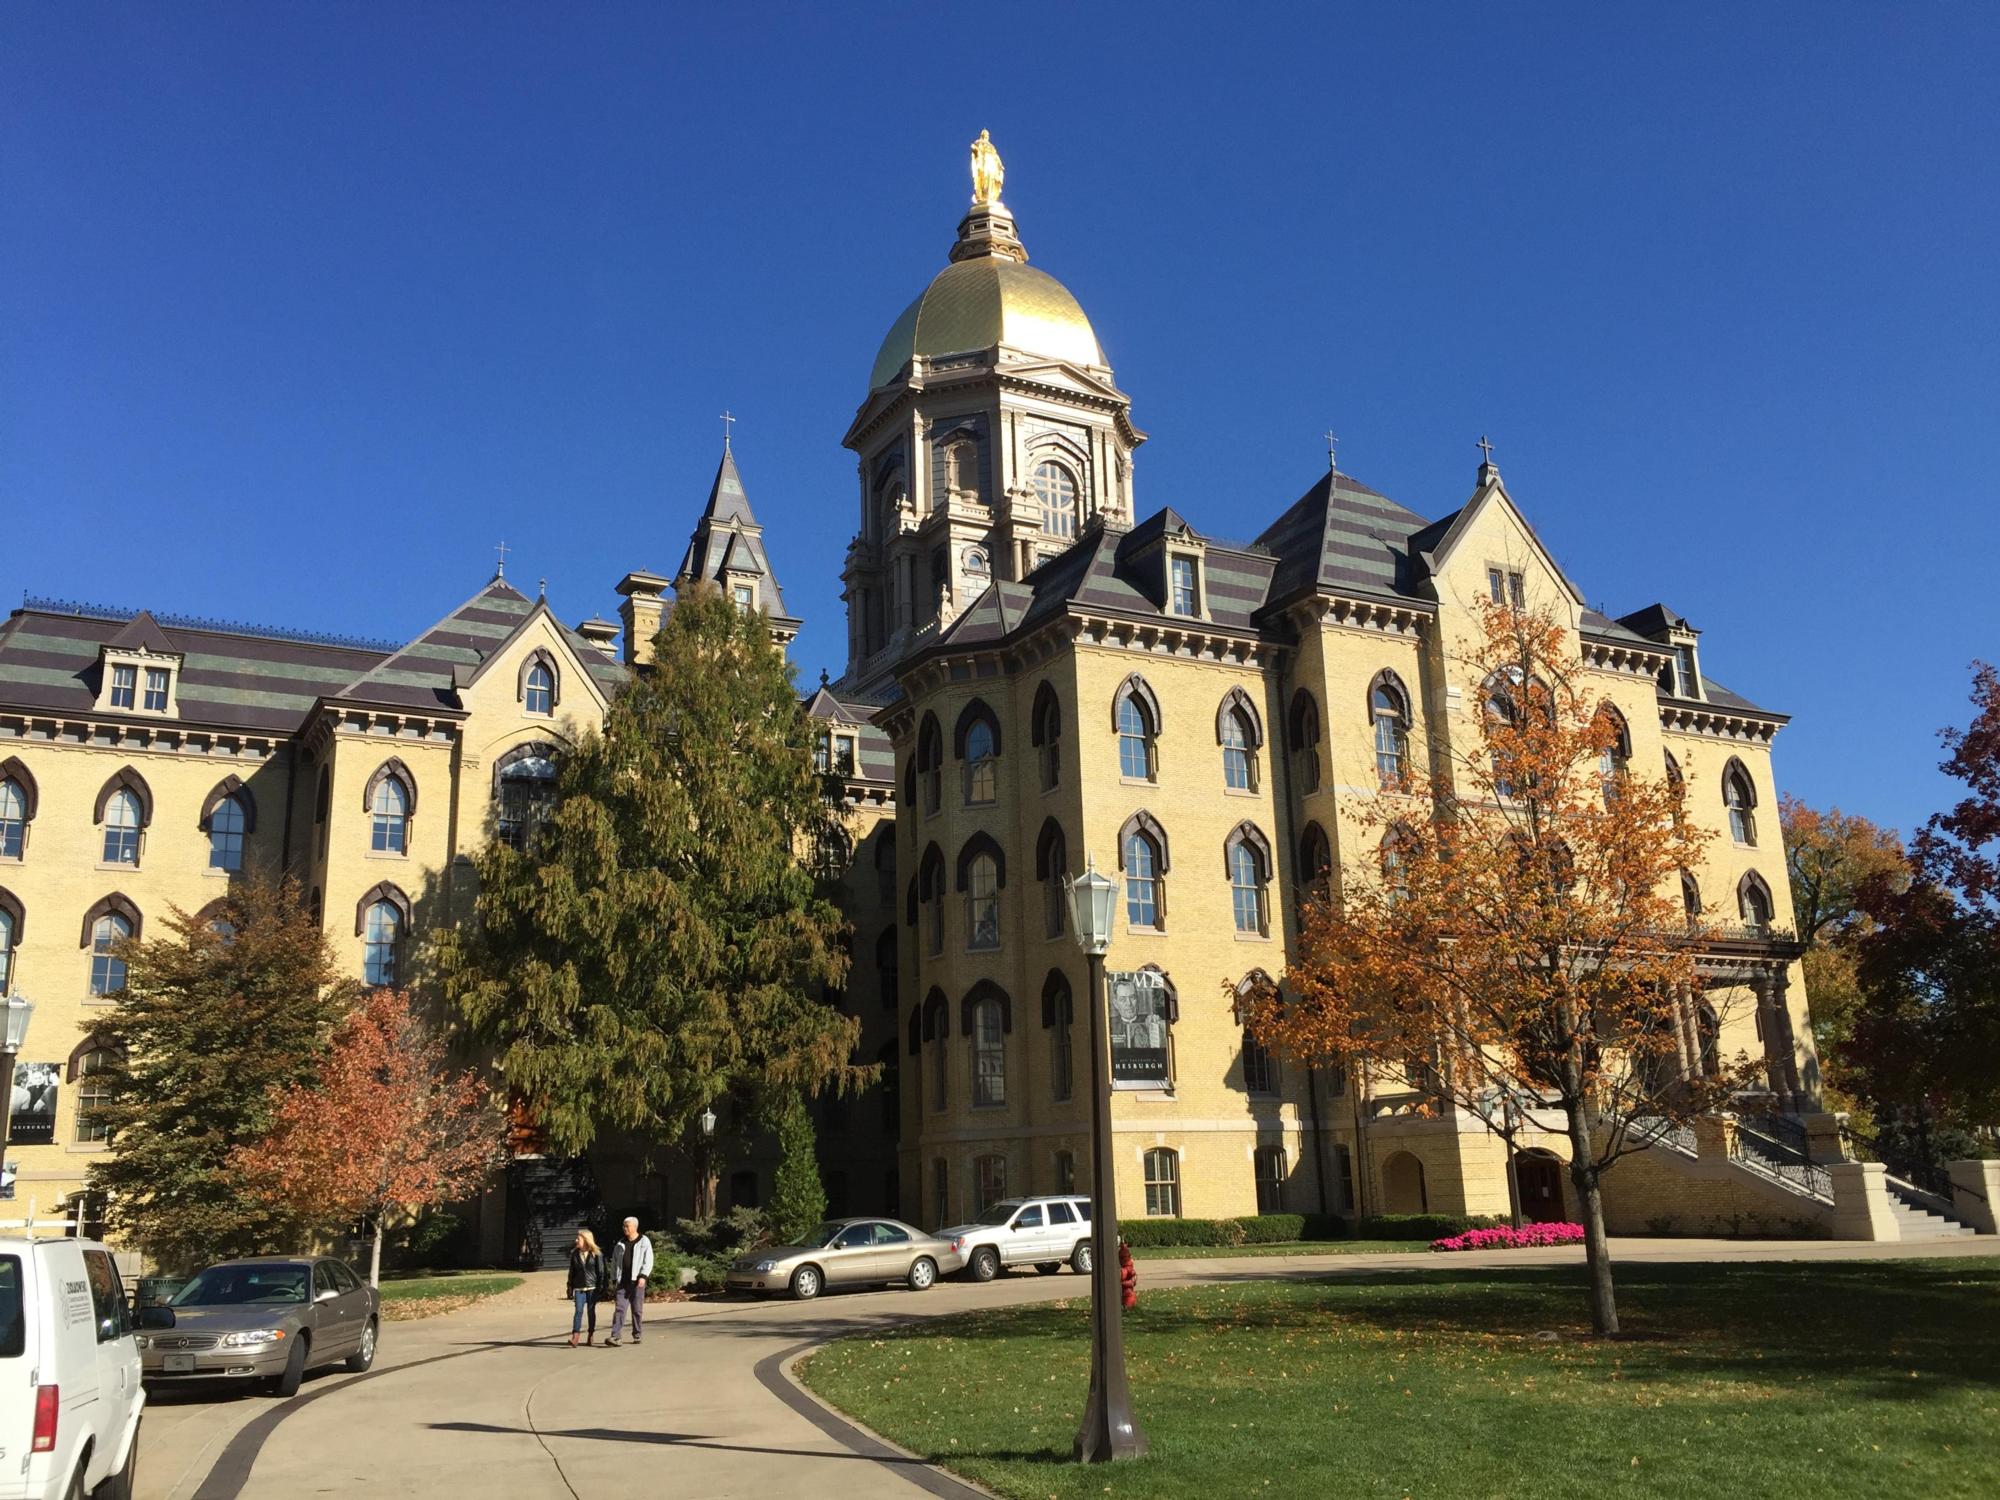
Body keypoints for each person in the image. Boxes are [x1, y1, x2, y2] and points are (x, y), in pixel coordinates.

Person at [603, 1216, 653, 1347]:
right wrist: (614, 1278)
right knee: (619, 1309)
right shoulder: (620, 1244)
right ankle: (615, 1336)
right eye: (624, 1226)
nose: (624, 1228)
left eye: (627, 1226)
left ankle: (637, 1333)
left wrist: (643, 1276)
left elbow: (648, 1261)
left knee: (637, 1309)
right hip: (622, 1282)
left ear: (635, 1227)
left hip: (637, 1282)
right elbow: (614, 1262)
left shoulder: (644, 1241)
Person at [566, 1228, 604, 1347]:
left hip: (592, 1287)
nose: (576, 1240)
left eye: (579, 1238)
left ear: (586, 1240)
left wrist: (601, 1287)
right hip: (579, 1287)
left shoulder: (596, 1254)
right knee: (578, 1311)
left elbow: (601, 1271)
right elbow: (571, 1272)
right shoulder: (575, 1254)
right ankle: (575, 1336)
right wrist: (570, 1287)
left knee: (590, 1312)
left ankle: (590, 1334)